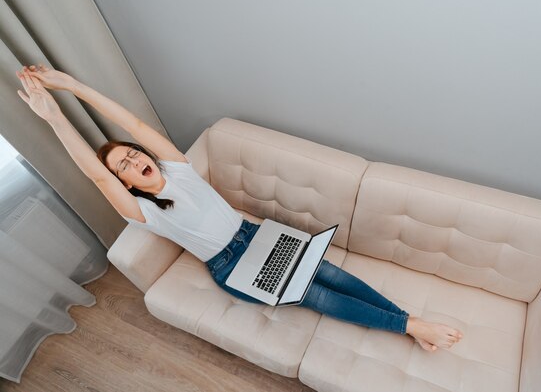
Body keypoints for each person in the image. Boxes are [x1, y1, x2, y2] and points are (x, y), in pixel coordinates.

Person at [15, 64, 463, 352]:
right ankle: (411, 328)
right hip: (231, 267)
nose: (134, 160)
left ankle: (410, 321)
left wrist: (72, 85)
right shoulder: (144, 212)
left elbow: (131, 122)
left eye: (132, 153)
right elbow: (95, 174)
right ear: (126, 184)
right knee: (318, 295)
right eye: (124, 167)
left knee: (333, 274)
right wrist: (55, 116)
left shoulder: (180, 168)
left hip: (257, 234)